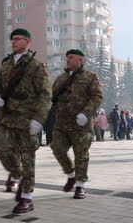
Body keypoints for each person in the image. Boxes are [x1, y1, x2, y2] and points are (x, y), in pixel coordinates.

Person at [0, 28, 51, 213]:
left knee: (28, 159)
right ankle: (17, 174)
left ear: (28, 42)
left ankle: (27, 197)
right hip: (7, 117)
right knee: (0, 146)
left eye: (18, 39)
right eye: (12, 39)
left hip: (27, 118)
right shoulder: (6, 64)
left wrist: (38, 119)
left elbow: (45, 94)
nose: (13, 42)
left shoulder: (36, 65)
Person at [50, 49, 103, 199]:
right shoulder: (60, 78)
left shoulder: (90, 77)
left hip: (81, 125)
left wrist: (86, 114)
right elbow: (53, 98)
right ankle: (71, 174)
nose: (68, 59)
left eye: (71, 57)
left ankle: (80, 185)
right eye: (67, 57)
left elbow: (97, 97)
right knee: (57, 149)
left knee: (81, 155)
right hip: (61, 124)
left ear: (80, 60)